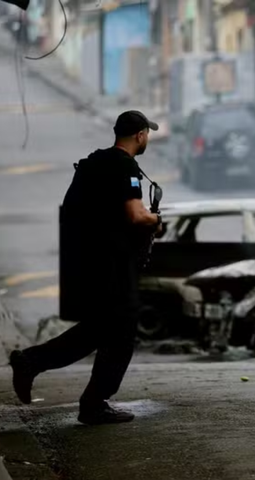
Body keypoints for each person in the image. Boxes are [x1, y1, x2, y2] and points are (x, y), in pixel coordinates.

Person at [9, 110, 162, 425]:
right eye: (147, 133)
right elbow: (135, 215)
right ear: (140, 135)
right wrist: (155, 218)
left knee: (100, 329)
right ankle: (92, 402)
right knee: (121, 330)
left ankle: (32, 363)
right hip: (112, 265)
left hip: (87, 262)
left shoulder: (93, 163)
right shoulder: (126, 168)